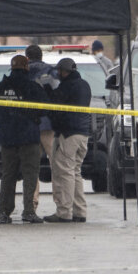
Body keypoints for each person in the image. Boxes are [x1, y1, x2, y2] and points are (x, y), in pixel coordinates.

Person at [0, 54, 49, 224]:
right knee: (30, 175)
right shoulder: (32, 87)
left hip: (8, 138)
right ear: (26, 68)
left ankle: (4, 212)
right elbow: (46, 109)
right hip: (29, 138)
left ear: (11, 68)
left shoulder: (0, 87)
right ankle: (29, 211)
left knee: (8, 176)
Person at [45, 57, 91, 223]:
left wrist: (47, 90)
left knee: (64, 171)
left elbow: (55, 105)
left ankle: (64, 212)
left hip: (69, 133)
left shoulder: (67, 86)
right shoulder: (84, 85)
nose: (58, 73)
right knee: (75, 171)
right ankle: (80, 211)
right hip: (83, 133)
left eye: (59, 71)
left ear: (64, 71)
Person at [25, 44, 57, 212]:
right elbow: (57, 91)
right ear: (41, 56)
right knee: (55, 164)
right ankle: (61, 203)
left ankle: (31, 203)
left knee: (31, 166)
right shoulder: (50, 71)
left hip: (29, 125)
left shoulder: (22, 72)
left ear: (27, 57)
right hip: (48, 123)